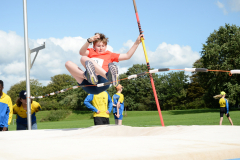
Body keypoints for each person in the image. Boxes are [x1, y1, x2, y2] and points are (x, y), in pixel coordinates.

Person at [65, 33, 144, 94]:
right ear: (94, 46)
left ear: (106, 46)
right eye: (98, 46)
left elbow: (127, 56)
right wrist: (89, 40)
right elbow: (81, 52)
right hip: (89, 85)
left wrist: (137, 42)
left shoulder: (110, 55)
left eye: (103, 46)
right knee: (69, 63)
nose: (101, 48)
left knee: (84, 58)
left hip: (103, 81)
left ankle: (107, 76)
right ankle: (87, 76)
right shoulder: (91, 52)